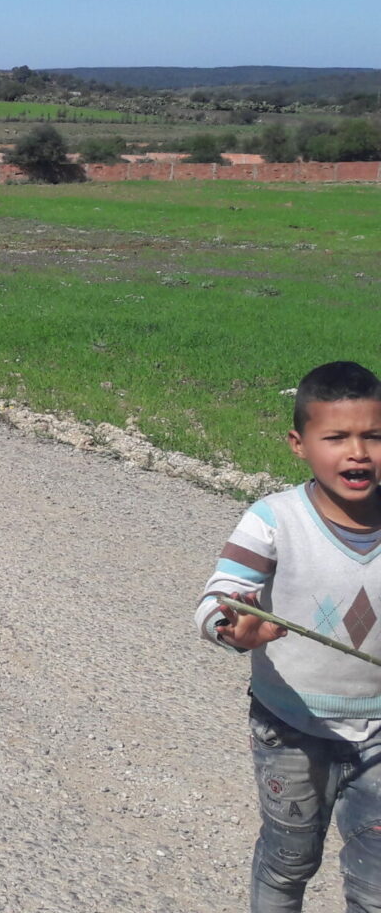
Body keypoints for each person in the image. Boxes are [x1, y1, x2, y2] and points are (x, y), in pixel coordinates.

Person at [196, 361, 381, 911]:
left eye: (374, 435)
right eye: (337, 437)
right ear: (299, 444)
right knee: (289, 861)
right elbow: (217, 600)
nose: (358, 452)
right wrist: (236, 628)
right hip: (290, 726)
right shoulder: (273, 520)